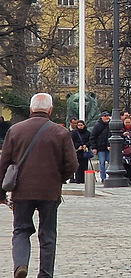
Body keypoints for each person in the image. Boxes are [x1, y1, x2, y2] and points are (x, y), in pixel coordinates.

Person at [0, 93, 77, 278]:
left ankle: (20, 264)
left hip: (21, 190)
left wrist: (1, 192)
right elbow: (72, 164)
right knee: (48, 234)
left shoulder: (15, 130)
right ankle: (45, 274)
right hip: (50, 191)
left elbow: (3, 163)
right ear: (50, 110)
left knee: (21, 230)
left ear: (31, 109)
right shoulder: (60, 132)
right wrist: (59, 178)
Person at [88, 110, 112, 182]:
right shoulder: (98, 126)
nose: (107, 117)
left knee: (110, 161)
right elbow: (93, 137)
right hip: (100, 147)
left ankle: (110, 176)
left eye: (107, 116)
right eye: (105, 116)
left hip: (108, 147)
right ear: (102, 117)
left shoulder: (110, 125)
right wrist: (94, 147)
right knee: (102, 163)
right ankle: (103, 177)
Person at [119, 116, 131, 184]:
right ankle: (128, 178)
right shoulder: (121, 129)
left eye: (129, 122)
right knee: (126, 164)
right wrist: (123, 135)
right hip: (124, 149)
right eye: (126, 122)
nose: (127, 124)